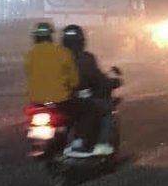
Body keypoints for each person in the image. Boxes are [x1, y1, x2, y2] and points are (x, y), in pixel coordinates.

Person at [60, 24, 122, 157]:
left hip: (53, 100)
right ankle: (102, 144)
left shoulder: (54, 57)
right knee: (104, 109)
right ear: (81, 41)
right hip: (75, 99)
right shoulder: (85, 58)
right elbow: (96, 78)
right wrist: (112, 83)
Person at [25, 21, 78, 106]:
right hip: (61, 100)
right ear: (50, 36)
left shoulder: (30, 54)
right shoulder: (64, 52)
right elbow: (74, 81)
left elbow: (29, 74)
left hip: (37, 101)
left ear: (36, 37)